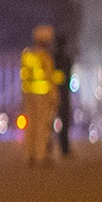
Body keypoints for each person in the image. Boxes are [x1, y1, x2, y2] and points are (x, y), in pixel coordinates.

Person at [20, 25, 58, 166]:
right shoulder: (45, 57)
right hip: (43, 96)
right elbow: (49, 78)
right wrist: (54, 97)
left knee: (30, 126)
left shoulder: (27, 55)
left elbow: (23, 75)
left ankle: (28, 154)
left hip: (28, 95)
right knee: (42, 126)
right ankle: (40, 155)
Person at [52, 32, 76, 157]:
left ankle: (47, 147)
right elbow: (68, 76)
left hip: (52, 92)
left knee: (49, 121)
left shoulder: (51, 57)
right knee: (64, 121)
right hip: (63, 92)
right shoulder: (66, 58)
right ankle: (64, 148)